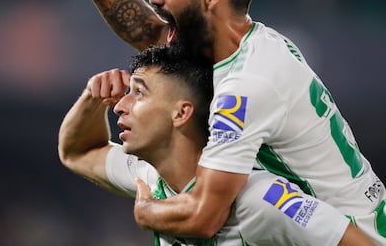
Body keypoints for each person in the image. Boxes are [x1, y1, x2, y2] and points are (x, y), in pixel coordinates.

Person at [56, 0, 386, 244]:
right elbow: (150, 35)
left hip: (352, 233)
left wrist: (147, 211)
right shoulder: (231, 47)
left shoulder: (246, 85)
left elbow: (204, 216)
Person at [59, 45, 372, 245]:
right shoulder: (149, 176)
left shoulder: (263, 198)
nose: (119, 106)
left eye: (138, 93)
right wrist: (92, 97)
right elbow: (77, 152)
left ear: (181, 113)